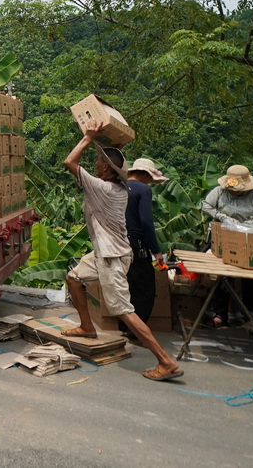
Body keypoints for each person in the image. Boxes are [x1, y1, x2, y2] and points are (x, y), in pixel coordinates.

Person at [62, 119, 183, 381]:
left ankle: (165, 361)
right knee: (72, 278)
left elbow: (69, 163)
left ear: (105, 168)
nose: (95, 164)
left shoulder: (103, 188)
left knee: (123, 310)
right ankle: (86, 326)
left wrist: (87, 137)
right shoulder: (116, 187)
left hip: (112, 258)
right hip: (104, 252)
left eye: (98, 162)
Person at [200, 164, 253, 326]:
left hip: (249, 238)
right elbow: (206, 206)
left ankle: (250, 314)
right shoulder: (219, 192)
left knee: (250, 278)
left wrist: (252, 222)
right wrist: (222, 216)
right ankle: (220, 314)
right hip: (224, 236)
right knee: (223, 277)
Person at [117, 158, 168, 338]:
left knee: (125, 286)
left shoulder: (117, 185)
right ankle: (135, 331)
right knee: (144, 289)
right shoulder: (143, 190)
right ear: (146, 175)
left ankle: (123, 327)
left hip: (116, 243)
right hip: (135, 244)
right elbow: (146, 222)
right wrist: (156, 250)